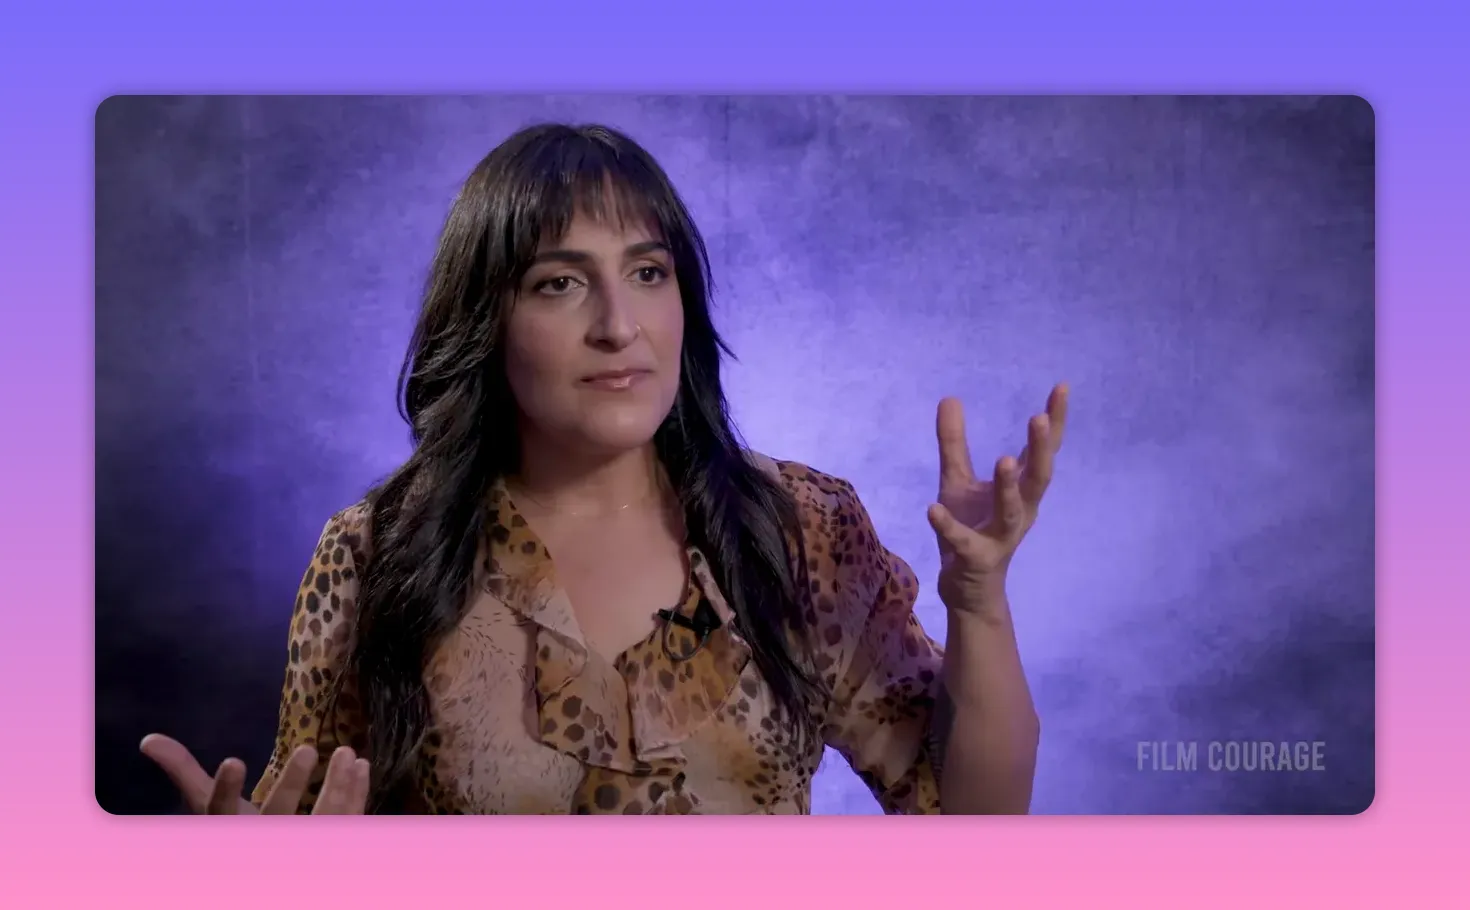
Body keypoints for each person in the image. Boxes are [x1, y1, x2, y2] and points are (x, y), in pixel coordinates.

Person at [140, 122, 1068, 815]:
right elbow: (310, 834)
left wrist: (978, 600)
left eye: (649, 273)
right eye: (560, 282)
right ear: (485, 319)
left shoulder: (798, 529)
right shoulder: (377, 554)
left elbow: (974, 818)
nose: (618, 325)